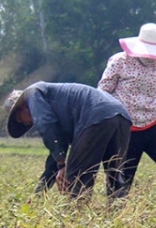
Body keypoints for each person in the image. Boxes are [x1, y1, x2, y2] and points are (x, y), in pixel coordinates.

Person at [98, 23, 156, 198]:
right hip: (125, 129)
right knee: (123, 177)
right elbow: (103, 92)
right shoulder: (120, 61)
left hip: (152, 126)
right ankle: (114, 215)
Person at [3, 82, 132, 200]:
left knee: (78, 178)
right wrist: (38, 193)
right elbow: (56, 153)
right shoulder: (58, 108)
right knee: (115, 175)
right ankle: (117, 215)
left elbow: (46, 124)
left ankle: (75, 219)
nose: (26, 123)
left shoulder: (33, 93)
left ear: (23, 106)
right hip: (122, 114)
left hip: (95, 114)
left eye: (20, 119)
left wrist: (62, 164)